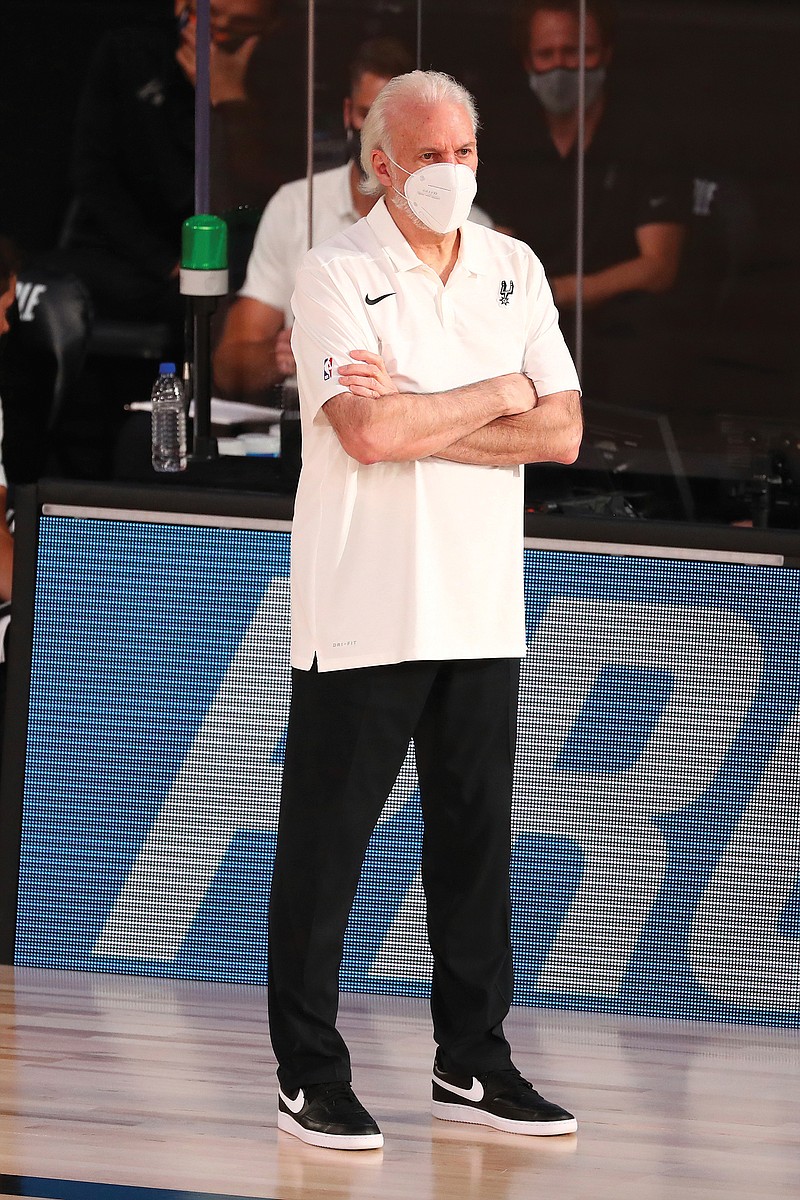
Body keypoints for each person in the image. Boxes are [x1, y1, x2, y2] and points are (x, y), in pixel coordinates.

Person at [266, 70, 583, 1151]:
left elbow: (563, 433)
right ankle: (309, 1073)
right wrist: (497, 390)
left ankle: (472, 1062)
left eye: (466, 152)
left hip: (482, 604)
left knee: (471, 847)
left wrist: (427, 409)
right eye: (430, 154)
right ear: (381, 163)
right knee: (327, 853)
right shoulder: (333, 271)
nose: (452, 171)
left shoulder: (513, 266)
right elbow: (364, 435)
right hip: (363, 604)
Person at [213, 37, 494, 402]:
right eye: (366, 116)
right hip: (308, 422)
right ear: (348, 113)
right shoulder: (296, 207)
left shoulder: (473, 230)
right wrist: (288, 351)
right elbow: (230, 365)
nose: (375, 140)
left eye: (392, 128)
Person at [478, 0, 689, 399]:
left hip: (625, 330)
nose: (563, 67)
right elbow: (497, 244)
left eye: (579, 51)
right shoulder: (506, 137)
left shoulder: (648, 136)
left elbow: (659, 266)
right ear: (527, 61)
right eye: (547, 54)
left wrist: (558, 292)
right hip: (530, 323)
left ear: (605, 53)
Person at [57, 0, 305, 335]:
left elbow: (260, 190)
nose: (219, 30)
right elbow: (94, 174)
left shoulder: (280, 78)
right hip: (128, 252)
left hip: (229, 254)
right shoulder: (131, 51)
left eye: (241, 24)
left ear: (269, 27)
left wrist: (230, 103)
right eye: (213, 14)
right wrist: (162, 261)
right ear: (182, 6)